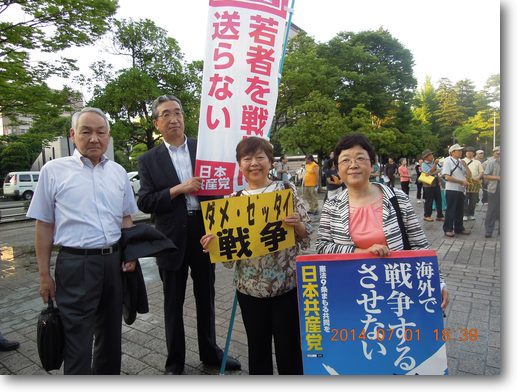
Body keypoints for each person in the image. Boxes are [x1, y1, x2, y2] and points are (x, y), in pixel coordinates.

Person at [26, 107, 139, 375]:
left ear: (108, 136)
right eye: (86, 131)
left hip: (113, 263)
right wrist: (44, 275)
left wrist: (130, 253)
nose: (94, 138)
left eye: (101, 132)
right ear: (72, 134)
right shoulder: (53, 171)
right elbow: (44, 225)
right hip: (76, 264)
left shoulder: (118, 172)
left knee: (111, 337)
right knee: (77, 340)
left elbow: (126, 219)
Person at [137, 95, 240, 375]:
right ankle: (175, 362)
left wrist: (221, 226)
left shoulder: (204, 150)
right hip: (170, 239)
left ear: (184, 117)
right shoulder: (148, 160)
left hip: (205, 234)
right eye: (166, 115)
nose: (173, 119)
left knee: (206, 297)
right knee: (173, 302)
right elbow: (144, 202)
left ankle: (210, 353)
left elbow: (222, 187)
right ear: (157, 123)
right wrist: (178, 189)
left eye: (178, 113)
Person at [201, 137, 314, 375]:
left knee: (289, 347)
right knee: (257, 347)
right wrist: (214, 245)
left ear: (270, 162)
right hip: (249, 290)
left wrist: (299, 226)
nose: (254, 163)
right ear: (239, 164)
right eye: (247, 158)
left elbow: (307, 235)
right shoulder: (231, 202)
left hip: (287, 285)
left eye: (260, 157)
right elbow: (229, 261)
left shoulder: (286, 191)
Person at [315, 133, 449, 309]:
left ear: (372, 165)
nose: (353, 165)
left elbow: (419, 245)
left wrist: (438, 282)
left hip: (398, 291)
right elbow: (322, 247)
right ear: (338, 169)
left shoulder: (397, 198)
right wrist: (361, 251)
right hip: (352, 291)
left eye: (360, 158)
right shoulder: (332, 204)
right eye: (345, 160)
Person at [442, 144, 472, 237]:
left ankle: (459, 228)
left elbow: (469, 175)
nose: (460, 152)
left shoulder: (460, 162)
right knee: (451, 209)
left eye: (461, 150)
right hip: (452, 189)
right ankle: (448, 228)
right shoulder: (448, 161)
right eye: (458, 151)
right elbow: (447, 177)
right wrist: (461, 182)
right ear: (452, 152)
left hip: (460, 189)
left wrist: (466, 166)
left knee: (460, 210)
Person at [421, 149, 445, 222]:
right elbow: (429, 171)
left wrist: (433, 172)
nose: (432, 156)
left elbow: (438, 170)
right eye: (430, 155)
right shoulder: (424, 164)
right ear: (426, 157)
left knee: (439, 199)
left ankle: (440, 215)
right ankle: (427, 215)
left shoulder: (433, 163)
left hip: (435, 183)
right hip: (428, 184)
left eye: (432, 154)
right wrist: (434, 168)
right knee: (429, 200)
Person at [462, 146, 484, 221]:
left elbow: (481, 172)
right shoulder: (462, 161)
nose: (469, 153)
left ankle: (471, 213)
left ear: (474, 153)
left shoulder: (477, 162)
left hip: (474, 182)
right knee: (465, 199)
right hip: (465, 182)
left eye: (471, 152)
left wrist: (478, 177)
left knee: (473, 199)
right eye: (467, 151)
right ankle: (465, 213)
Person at [484, 147, 500, 238]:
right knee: (492, 210)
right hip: (495, 189)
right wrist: (497, 178)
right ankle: (489, 230)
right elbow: (486, 176)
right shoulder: (492, 163)